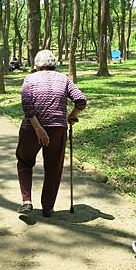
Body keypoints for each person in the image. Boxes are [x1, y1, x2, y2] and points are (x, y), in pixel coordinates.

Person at [16, 49, 87, 217]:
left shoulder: (29, 79)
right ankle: (47, 208)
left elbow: (27, 106)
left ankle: (27, 201)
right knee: (54, 168)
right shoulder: (64, 79)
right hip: (57, 128)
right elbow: (81, 100)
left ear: (36, 65)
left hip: (31, 129)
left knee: (25, 162)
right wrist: (73, 115)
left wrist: (39, 129)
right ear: (54, 65)